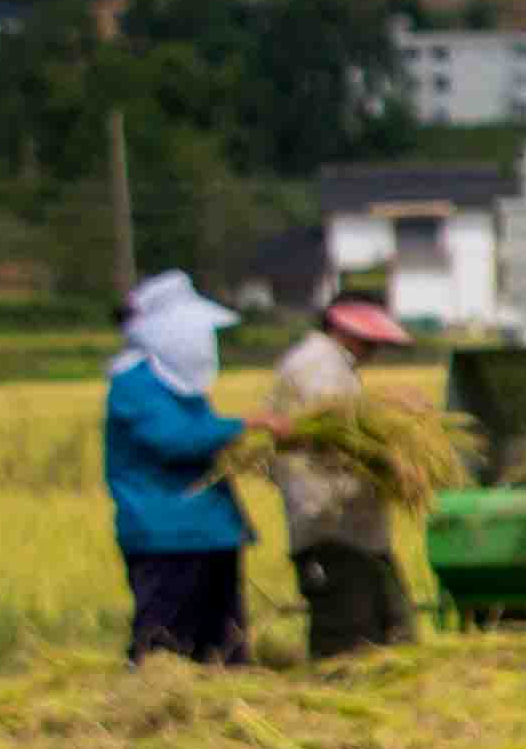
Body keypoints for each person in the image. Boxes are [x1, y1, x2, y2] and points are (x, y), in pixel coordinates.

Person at [98, 269, 256, 666]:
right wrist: (245, 427)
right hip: (165, 535)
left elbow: (201, 437)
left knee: (223, 645)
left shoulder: (184, 391)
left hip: (212, 531)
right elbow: (175, 441)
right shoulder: (134, 384)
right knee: (165, 648)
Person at [264, 295, 418, 662]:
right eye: (369, 342)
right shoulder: (316, 365)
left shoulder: (334, 366)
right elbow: (342, 429)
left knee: (390, 631)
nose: (374, 350)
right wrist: (392, 443)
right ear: (342, 330)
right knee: (349, 641)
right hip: (329, 522)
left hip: (356, 526)